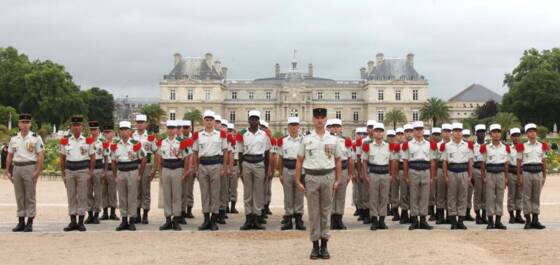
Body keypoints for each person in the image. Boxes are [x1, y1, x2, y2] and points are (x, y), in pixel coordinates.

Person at [295, 108, 341, 260]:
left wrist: (338, 179)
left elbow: (338, 160)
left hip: (328, 176)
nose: (320, 120)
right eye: (317, 118)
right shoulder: (306, 139)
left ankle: (325, 244)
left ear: (326, 120)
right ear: (313, 120)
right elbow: (300, 160)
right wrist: (297, 180)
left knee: (326, 212)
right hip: (312, 178)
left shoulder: (333, 139)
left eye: (322, 117)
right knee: (314, 213)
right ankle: (315, 245)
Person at [5, 113, 44, 232]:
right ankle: (21, 221)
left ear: (30, 124)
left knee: (30, 195)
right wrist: (7, 170)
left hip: (29, 166)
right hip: (17, 168)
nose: (25, 125)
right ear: (19, 124)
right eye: (23, 122)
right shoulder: (14, 138)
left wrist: (37, 170)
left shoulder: (35, 137)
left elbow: (41, 155)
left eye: (27, 123)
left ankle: (30, 222)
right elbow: (10, 155)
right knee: (19, 195)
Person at [192, 111, 229, 231]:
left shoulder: (221, 135)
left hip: (216, 165)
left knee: (215, 193)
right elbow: (195, 153)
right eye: (206, 119)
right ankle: (206, 219)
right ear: (203, 121)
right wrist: (196, 169)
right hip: (203, 165)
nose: (208, 122)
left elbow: (225, 152)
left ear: (214, 121)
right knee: (205, 193)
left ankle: (214, 220)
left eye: (211, 120)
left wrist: (224, 167)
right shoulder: (198, 135)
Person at [236, 110, 272, 230]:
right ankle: (248, 218)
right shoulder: (243, 134)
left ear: (259, 121)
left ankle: (256, 218)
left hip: (259, 164)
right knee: (247, 193)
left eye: (256, 119)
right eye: (252, 119)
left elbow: (267, 154)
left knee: (258, 193)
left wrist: (267, 170)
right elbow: (240, 153)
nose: (254, 121)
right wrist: (240, 169)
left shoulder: (264, 135)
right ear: (249, 120)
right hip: (247, 163)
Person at [60, 116, 94, 232]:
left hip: (82, 170)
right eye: (74, 125)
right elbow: (62, 158)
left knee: (82, 196)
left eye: (78, 125)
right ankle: (72, 221)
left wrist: (90, 172)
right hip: (70, 170)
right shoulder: (65, 140)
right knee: (71, 196)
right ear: (71, 127)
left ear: (82, 127)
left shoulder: (88, 140)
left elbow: (93, 156)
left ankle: (80, 222)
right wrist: (63, 173)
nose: (76, 127)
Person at [156, 120, 191, 231]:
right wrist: (160, 171)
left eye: (173, 128)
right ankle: (167, 219)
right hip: (166, 168)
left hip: (177, 168)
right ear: (167, 129)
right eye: (169, 128)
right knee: (167, 195)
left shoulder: (182, 141)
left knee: (177, 195)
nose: (171, 130)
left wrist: (185, 171)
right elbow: (159, 158)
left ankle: (176, 219)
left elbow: (186, 157)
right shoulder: (162, 142)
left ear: (176, 129)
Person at [401, 121, 436, 230]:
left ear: (423, 131)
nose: (419, 131)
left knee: (425, 196)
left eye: (421, 129)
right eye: (416, 130)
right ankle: (415, 220)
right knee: (414, 195)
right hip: (413, 171)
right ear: (413, 132)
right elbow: (405, 161)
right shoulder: (408, 144)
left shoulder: (429, 144)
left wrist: (432, 176)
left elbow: (432, 161)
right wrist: (406, 176)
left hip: (425, 171)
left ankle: (423, 220)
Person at [112, 121, 145, 231]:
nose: (124, 132)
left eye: (126, 129)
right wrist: (115, 175)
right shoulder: (115, 145)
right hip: (121, 171)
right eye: (122, 129)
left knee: (132, 196)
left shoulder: (136, 144)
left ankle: (132, 220)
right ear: (119, 131)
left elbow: (143, 158)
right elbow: (113, 161)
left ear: (130, 131)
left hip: (132, 171)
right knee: (122, 197)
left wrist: (140, 174)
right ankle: (124, 220)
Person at [361, 122, 395, 230]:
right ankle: (374, 220)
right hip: (374, 174)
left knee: (384, 197)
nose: (379, 133)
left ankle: (382, 220)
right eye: (376, 131)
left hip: (385, 173)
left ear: (383, 133)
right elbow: (364, 161)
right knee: (373, 197)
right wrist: (365, 175)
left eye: (380, 131)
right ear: (373, 133)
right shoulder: (368, 146)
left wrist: (391, 175)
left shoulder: (388, 146)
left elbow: (391, 161)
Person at [442, 122, 473, 230]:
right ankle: (453, 221)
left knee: (463, 197)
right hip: (452, 172)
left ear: (462, 133)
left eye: (459, 131)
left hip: (463, 172)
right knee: (451, 196)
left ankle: (461, 220)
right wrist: (445, 176)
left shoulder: (467, 145)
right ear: (452, 133)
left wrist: (470, 176)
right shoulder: (447, 146)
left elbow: (470, 161)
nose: (458, 133)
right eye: (455, 131)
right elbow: (445, 162)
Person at [278, 116, 306, 230]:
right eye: (291, 126)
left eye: (295, 126)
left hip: (299, 169)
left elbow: (306, 157)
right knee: (288, 195)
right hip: (287, 169)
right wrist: (280, 173)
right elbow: (280, 158)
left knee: (299, 195)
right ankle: (288, 219)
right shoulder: (283, 141)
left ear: (299, 127)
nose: (294, 128)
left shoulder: (303, 140)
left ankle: (299, 219)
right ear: (288, 128)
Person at [519, 123, 547, 229]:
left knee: (536, 196)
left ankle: (535, 219)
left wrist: (544, 175)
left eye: (534, 131)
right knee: (526, 197)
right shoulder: (522, 146)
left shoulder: (541, 146)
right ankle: (528, 220)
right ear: (526, 134)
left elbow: (544, 161)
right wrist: (519, 176)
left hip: (538, 172)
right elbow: (519, 162)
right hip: (526, 172)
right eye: (530, 131)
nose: (533, 133)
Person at [481, 124, 508, 229]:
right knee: (490, 197)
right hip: (490, 173)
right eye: (494, 132)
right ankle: (490, 221)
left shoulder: (505, 147)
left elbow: (506, 164)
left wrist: (506, 177)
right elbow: (483, 163)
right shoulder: (486, 147)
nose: (496, 134)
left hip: (501, 173)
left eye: (498, 132)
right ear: (490, 134)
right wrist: (483, 176)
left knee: (500, 197)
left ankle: (498, 220)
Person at [132, 114, 157, 224]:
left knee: (145, 190)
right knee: (136, 190)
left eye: (142, 122)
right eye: (138, 122)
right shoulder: (132, 136)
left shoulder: (150, 137)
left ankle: (145, 214)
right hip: (134, 164)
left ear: (146, 124)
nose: (140, 124)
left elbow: (156, 153)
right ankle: (137, 213)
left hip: (146, 165)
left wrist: (154, 169)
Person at [330, 119, 354, 230]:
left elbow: (350, 158)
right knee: (330, 195)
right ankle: (331, 219)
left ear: (341, 128)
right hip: (330, 170)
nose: (335, 129)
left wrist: (350, 173)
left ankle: (339, 218)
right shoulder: (326, 140)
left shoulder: (346, 141)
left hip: (343, 170)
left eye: (337, 126)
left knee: (341, 195)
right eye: (333, 126)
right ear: (329, 128)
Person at [85, 121, 103, 225]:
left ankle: (96, 214)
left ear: (98, 130)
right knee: (88, 192)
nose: (93, 131)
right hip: (88, 168)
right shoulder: (86, 141)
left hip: (98, 168)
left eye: (95, 129)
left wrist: (105, 170)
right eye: (91, 129)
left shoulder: (102, 141)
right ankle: (90, 214)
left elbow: (106, 156)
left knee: (98, 193)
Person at [100, 125, 119, 220]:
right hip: (103, 169)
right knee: (103, 192)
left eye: (109, 132)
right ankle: (105, 213)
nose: (107, 134)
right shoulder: (101, 144)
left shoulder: (116, 144)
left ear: (113, 133)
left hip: (112, 169)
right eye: (105, 132)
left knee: (112, 192)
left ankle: (113, 213)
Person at [507, 128, 525, 224]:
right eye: (514, 136)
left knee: (520, 195)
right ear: (511, 137)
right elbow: (506, 163)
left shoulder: (523, 148)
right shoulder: (508, 148)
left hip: (521, 173)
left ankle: (518, 215)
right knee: (511, 195)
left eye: (518, 135)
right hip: (511, 172)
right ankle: (511, 216)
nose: (516, 138)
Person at [472, 124, 488, 224]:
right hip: (476, 169)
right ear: (476, 133)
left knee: (486, 194)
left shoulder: (488, 146)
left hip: (487, 170)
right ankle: (478, 215)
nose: (481, 134)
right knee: (477, 193)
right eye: (479, 132)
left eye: (483, 132)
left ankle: (484, 215)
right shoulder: (473, 146)